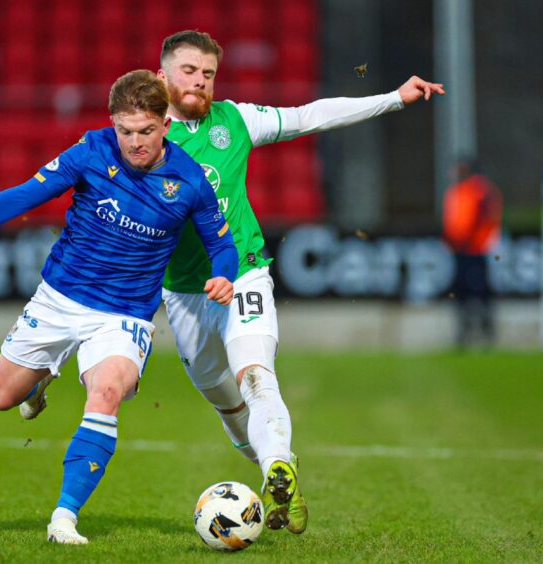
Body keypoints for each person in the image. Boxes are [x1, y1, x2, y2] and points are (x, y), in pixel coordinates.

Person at [0, 70, 238, 545]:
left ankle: (64, 518)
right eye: (125, 131)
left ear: (166, 126)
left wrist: (223, 274)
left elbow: (222, 243)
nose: (134, 143)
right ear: (113, 123)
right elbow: (24, 195)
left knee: (108, 391)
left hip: (125, 315)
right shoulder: (91, 151)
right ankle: (41, 381)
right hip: (59, 300)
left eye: (146, 132)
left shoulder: (190, 179)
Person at [155, 30, 445, 534]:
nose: (200, 83)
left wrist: (393, 99)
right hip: (183, 292)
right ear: (162, 75)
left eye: (208, 75)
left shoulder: (235, 120)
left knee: (256, 374)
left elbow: (310, 115)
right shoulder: (143, 137)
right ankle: (273, 473)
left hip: (243, 272)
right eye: (189, 72)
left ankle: (278, 466)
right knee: (224, 399)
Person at [442, 158, 502, 347]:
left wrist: (471, 240)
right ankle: (465, 330)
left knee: (480, 289)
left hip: (475, 250)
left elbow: (485, 219)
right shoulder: (457, 192)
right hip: (460, 250)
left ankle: (485, 330)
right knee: (461, 290)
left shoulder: (480, 191)